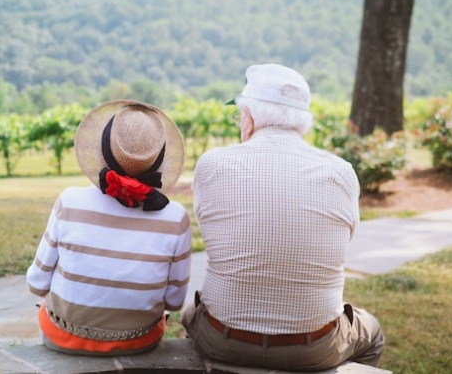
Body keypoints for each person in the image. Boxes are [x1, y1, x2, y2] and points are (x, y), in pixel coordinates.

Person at [181, 64, 385, 371]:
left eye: (239, 115)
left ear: (248, 115)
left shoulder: (212, 164)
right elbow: (345, 239)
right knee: (372, 333)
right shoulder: (341, 172)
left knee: (190, 313)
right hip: (314, 347)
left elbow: (211, 229)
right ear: (302, 121)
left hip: (222, 340)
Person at [26, 100, 192, 356]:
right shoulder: (175, 217)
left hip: (63, 336)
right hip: (140, 341)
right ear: (158, 160)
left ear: (102, 150)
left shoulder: (69, 201)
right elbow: (175, 301)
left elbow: (37, 283)